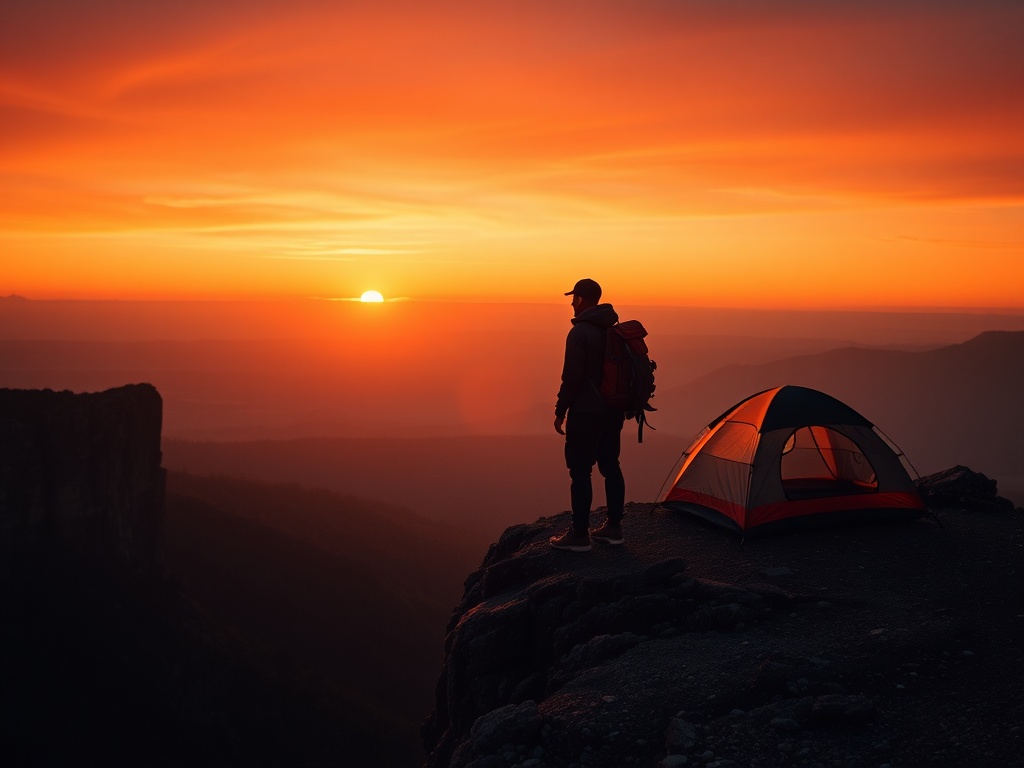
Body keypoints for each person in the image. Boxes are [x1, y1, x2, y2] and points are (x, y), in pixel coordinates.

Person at [550, 278, 626, 552]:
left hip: (586, 412)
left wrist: (560, 411)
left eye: (573, 298)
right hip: (613, 409)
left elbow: (571, 377)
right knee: (611, 466)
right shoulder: (613, 329)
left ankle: (579, 535)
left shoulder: (580, 332)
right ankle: (614, 528)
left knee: (580, 471)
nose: (571, 303)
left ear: (581, 300)